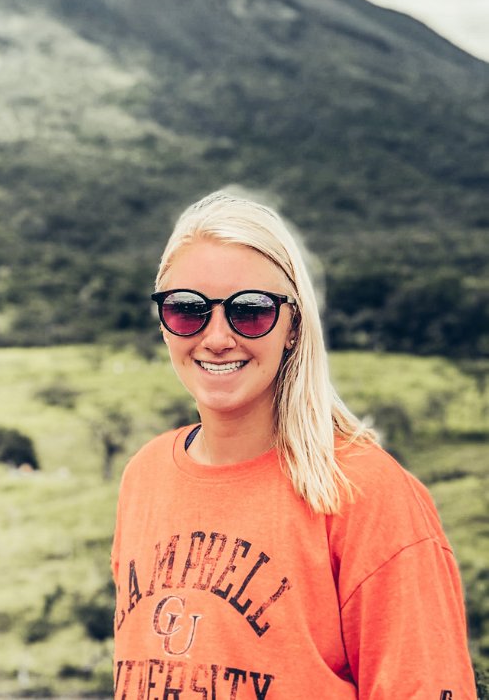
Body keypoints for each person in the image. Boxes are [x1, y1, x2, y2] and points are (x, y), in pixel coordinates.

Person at [111, 191, 476, 699]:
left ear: (293, 327)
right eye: (188, 310)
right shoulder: (145, 476)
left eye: (251, 312)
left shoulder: (364, 492)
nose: (217, 337)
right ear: (163, 322)